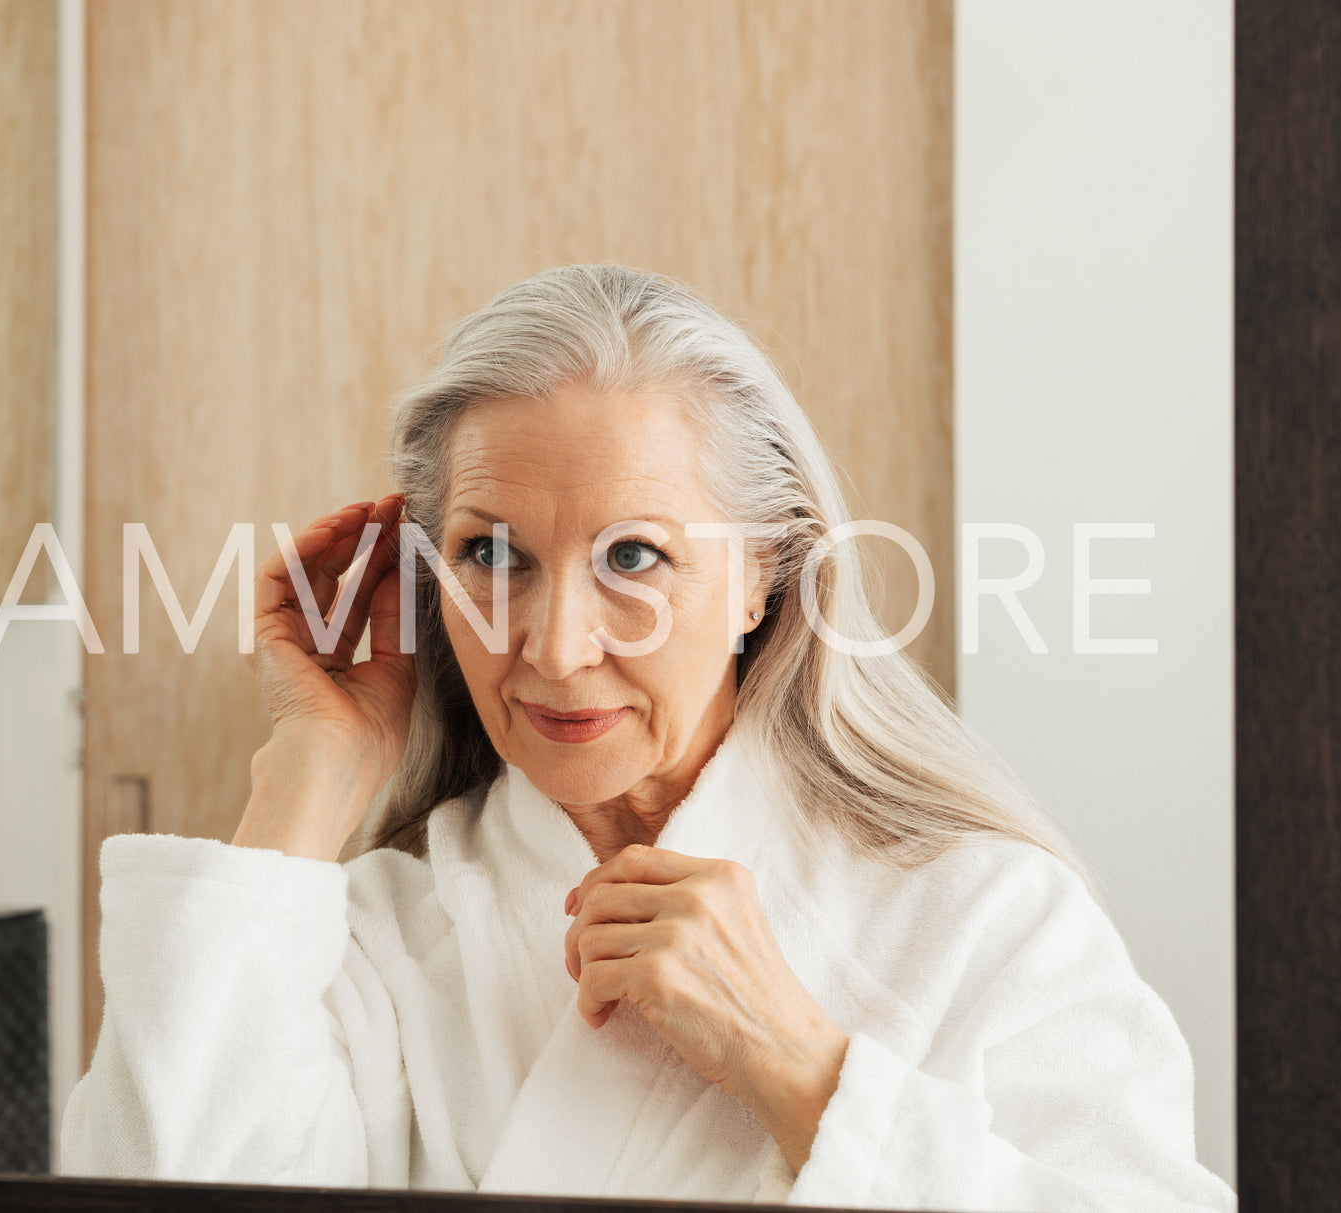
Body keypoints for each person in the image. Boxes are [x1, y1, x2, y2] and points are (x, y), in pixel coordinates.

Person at [60, 263, 1236, 1211]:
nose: (556, 646)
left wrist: (800, 1072)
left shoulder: (979, 919)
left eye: (634, 557)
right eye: (488, 553)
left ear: (759, 578)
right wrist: (313, 763)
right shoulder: (369, 939)